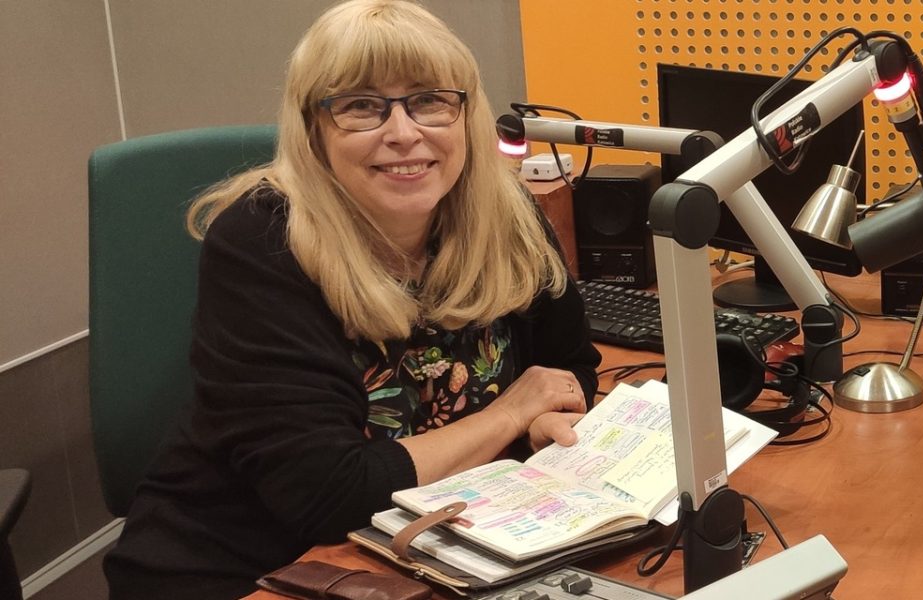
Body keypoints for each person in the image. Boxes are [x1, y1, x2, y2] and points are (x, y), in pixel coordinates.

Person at [102, 1, 600, 597]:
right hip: (253, 567)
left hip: (443, 545)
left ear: (466, 116)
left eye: (429, 100)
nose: (403, 133)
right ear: (313, 128)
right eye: (362, 106)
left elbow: (566, 371)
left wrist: (542, 417)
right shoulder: (263, 241)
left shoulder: (507, 215)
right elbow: (329, 495)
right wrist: (509, 416)